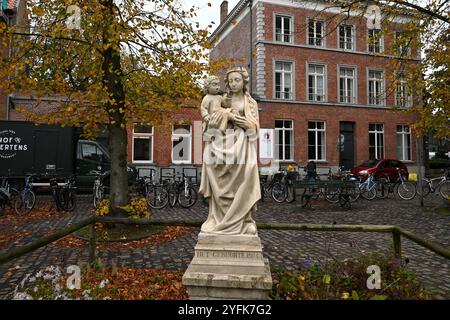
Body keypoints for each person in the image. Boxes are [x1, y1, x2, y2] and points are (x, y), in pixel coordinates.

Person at [199, 66, 260, 235]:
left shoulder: (251, 103)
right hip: (219, 144)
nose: (233, 84)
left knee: (246, 175)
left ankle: (245, 220)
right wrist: (224, 117)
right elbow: (209, 125)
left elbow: (254, 132)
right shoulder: (220, 100)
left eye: (237, 80)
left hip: (242, 146)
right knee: (215, 174)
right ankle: (216, 218)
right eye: (230, 81)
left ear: (244, 82)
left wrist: (243, 122)